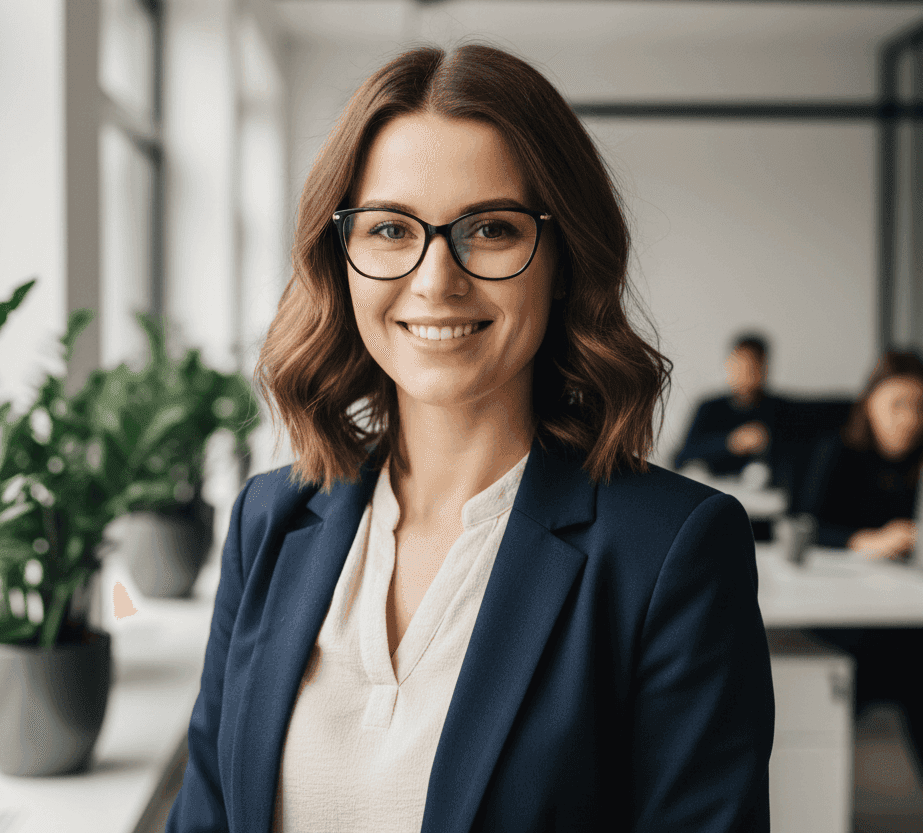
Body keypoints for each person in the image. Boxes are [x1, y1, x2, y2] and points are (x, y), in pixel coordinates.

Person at [166, 44, 774, 833]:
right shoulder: (268, 522)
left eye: (489, 228)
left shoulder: (671, 552)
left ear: (562, 259)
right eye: (390, 228)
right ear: (339, 255)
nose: (435, 279)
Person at [803, 349, 923, 810]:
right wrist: (864, 541)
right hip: (848, 621)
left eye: (921, 406)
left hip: (916, 621)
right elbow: (803, 526)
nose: (910, 418)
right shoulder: (837, 450)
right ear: (870, 403)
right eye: (897, 404)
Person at [674, 333, 786, 478]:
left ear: (764, 368)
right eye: (740, 366)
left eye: (752, 367)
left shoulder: (778, 409)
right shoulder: (709, 407)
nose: (745, 373)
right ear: (729, 365)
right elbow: (682, 457)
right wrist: (731, 442)